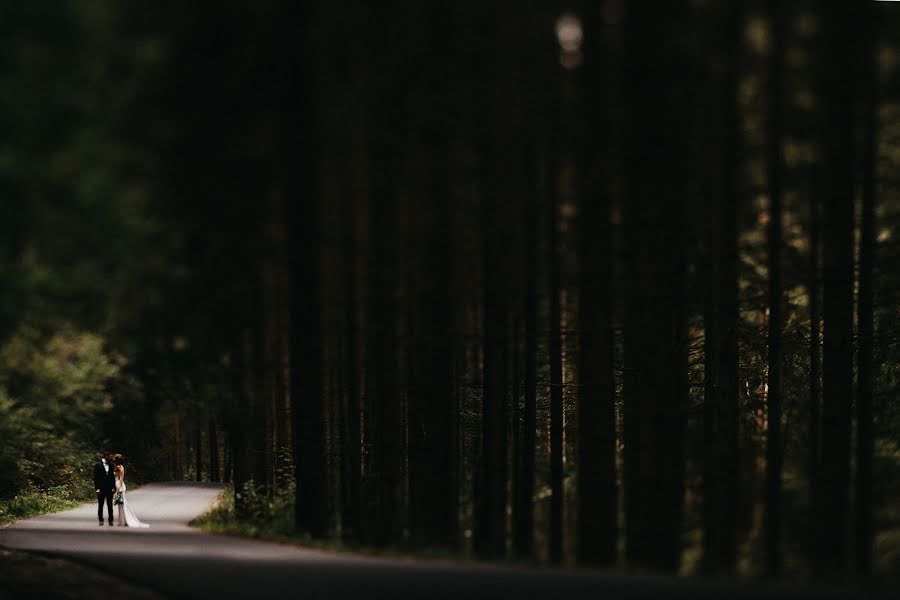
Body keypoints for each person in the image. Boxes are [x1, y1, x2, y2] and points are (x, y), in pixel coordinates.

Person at [113, 455, 149, 528]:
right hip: (116, 485)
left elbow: (121, 478)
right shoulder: (115, 467)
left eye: (114, 459)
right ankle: (121, 521)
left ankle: (126, 520)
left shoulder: (121, 467)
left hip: (120, 486)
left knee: (122, 503)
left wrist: (119, 487)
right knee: (119, 504)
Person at [93, 452, 116, 526]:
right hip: (101, 488)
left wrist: (113, 487)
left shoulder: (112, 465)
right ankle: (101, 520)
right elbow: (96, 478)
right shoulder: (97, 465)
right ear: (105, 456)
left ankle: (111, 520)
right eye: (109, 456)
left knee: (110, 505)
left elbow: (113, 478)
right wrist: (97, 488)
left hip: (109, 488)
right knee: (101, 504)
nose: (110, 458)